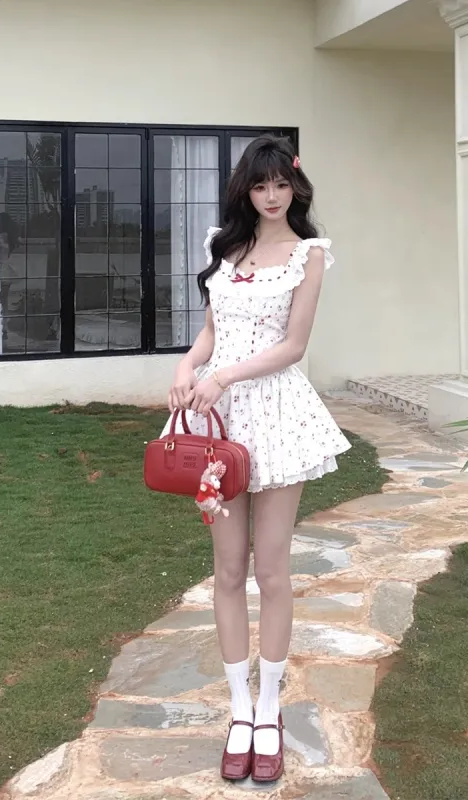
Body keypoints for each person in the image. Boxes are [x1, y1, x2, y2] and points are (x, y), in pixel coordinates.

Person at [164, 134, 350, 783]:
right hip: (216, 420)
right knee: (226, 570)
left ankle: (269, 709)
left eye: (281, 185)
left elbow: (293, 346)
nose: (271, 196)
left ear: (295, 188)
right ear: (245, 190)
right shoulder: (224, 247)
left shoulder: (309, 255)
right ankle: (238, 711)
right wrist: (187, 367)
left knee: (270, 570)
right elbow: (211, 333)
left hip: (274, 415)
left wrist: (223, 376)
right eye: (260, 185)